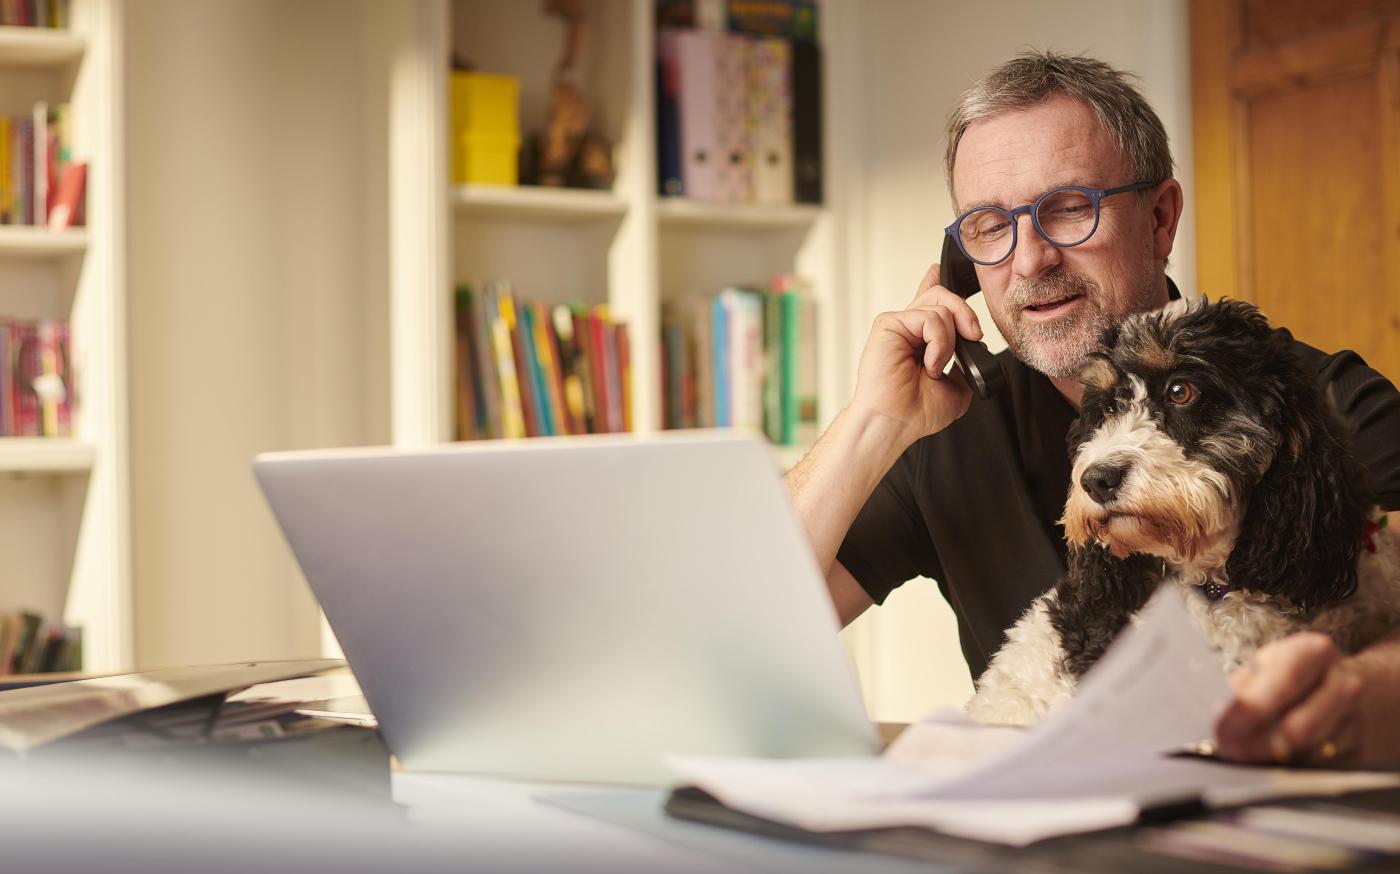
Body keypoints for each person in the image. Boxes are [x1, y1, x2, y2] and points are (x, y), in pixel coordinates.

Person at [787, 51, 1400, 766]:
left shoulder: (1325, 404)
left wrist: (1359, 690)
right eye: (989, 226)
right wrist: (872, 423)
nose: (1029, 261)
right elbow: (744, 625)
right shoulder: (943, 427)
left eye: (1070, 207)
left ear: (1161, 220)